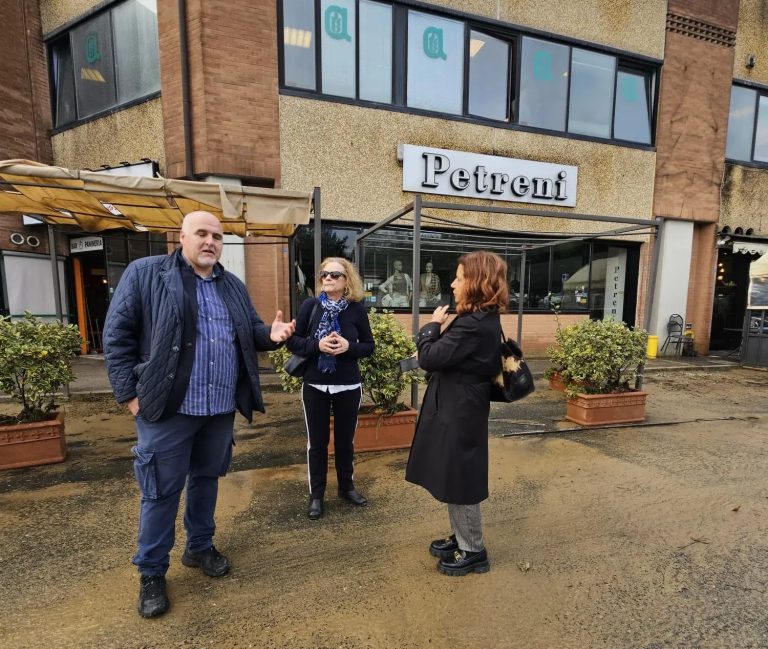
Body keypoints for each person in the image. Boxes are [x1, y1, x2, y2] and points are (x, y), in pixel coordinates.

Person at [103, 211, 295, 618]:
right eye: (202, 234)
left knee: (207, 480)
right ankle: (152, 572)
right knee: (160, 491)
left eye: (217, 236)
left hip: (219, 408)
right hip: (168, 409)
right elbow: (117, 335)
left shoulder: (232, 285)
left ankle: (200, 546)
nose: (210, 242)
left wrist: (272, 336)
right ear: (182, 237)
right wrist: (129, 396)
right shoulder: (146, 273)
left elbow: (250, 332)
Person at [405, 251, 508, 576]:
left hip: (461, 410)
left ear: (476, 282)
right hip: (457, 405)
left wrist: (431, 327)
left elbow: (430, 357)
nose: (452, 283)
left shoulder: (475, 324)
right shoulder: (475, 318)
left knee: (462, 478)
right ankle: (463, 537)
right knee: (454, 473)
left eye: (460, 278)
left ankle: (473, 550)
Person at [286, 257, 375, 520]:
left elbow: (369, 346)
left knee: (345, 442)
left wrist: (349, 347)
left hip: (348, 384)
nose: (328, 278)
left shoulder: (356, 310)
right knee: (318, 443)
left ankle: (346, 488)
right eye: (324, 274)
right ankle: (317, 496)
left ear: (347, 280)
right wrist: (317, 346)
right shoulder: (310, 306)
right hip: (315, 384)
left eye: (335, 275)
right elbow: (293, 342)